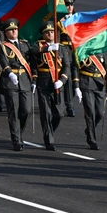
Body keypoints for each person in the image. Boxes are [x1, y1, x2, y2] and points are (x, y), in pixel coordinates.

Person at [29, 20, 71, 151]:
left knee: (59, 114)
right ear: (43, 34)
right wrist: (48, 48)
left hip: (57, 83)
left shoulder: (61, 48)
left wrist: (62, 80)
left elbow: (67, 66)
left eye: (52, 32)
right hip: (43, 83)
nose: (50, 34)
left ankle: (49, 131)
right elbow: (33, 52)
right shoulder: (39, 46)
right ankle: (49, 140)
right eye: (47, 32)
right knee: (46, 113)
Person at [0, 18, 33, 151]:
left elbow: (32, 61)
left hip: (24, 80)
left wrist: (33, 79)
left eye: (15, 29)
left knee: (26, 111)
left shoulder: (25, 45)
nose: (14, 31)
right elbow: (3, 61)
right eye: (11, 30)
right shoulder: (2, 46)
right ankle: (16, 139)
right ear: (6, 33)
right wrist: (10, 73)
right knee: (13, 111)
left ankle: (19, 133)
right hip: (10, 82)